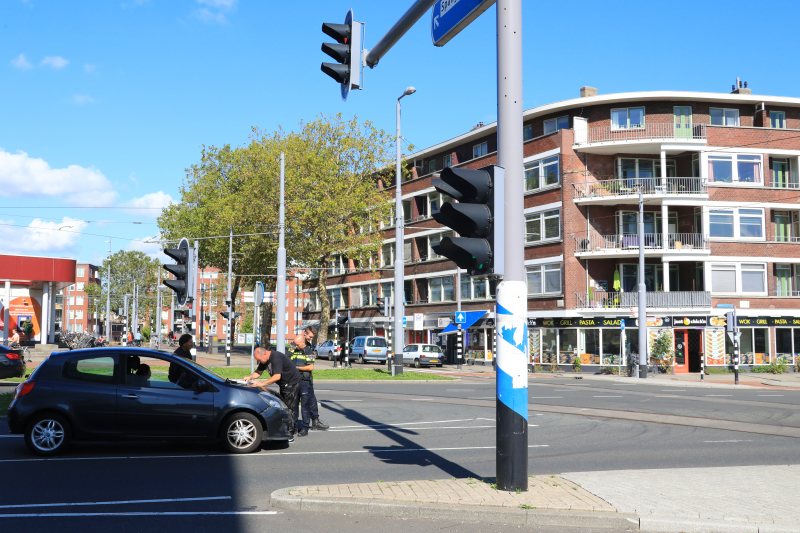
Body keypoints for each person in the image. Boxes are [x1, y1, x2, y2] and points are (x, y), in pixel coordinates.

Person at [243, 346, 301, 442]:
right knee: (284, 405)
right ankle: (286, 428)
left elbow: (277, 376)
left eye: (260, 359)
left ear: (265, 354)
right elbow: (259, 372)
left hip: (292, 382)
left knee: (289, 406)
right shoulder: (264, 359)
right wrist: (249, 378)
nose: (260, 362)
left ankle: (290, 432)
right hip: (284, 384)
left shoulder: (276, 358)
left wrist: (261, 384)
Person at [291, 327, 328, 436]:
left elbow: (309, 364)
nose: (311, 338)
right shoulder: (295, 345)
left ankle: (314, 421)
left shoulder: (308, 347)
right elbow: (292, 358)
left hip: (306, 378)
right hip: (298, 377)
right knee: (299, 402)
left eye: (312, 337)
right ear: (305, 335)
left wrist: (298, 367)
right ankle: (295, 425)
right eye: (310, 336)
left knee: (310, 400)